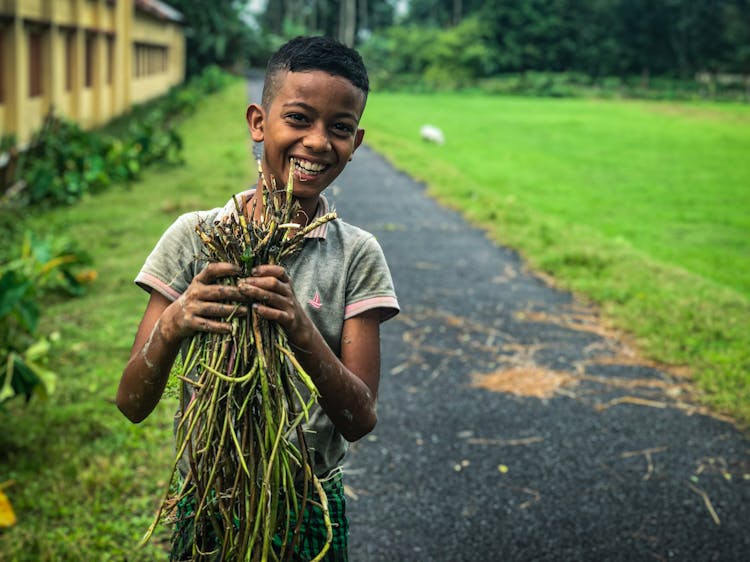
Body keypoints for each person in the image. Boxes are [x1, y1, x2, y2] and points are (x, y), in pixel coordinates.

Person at [116, 36, 400, 561]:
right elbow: (132, 404)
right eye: (298, 118)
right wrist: (176, 321)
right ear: (258, 122)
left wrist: (300, 326)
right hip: (210, 501)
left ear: (356, 141)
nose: (317, 142)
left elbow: (359, 418)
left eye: (339, 128)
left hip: (307, 505)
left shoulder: (357, 254)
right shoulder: (195, 237)